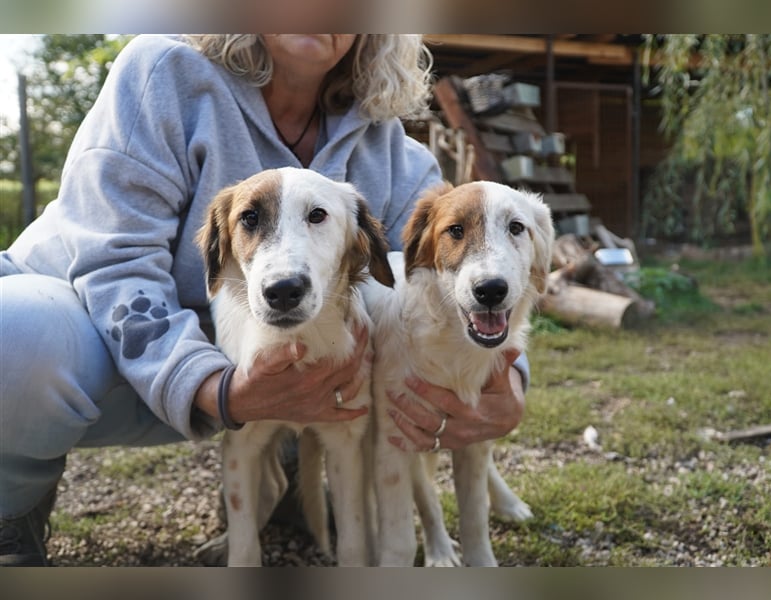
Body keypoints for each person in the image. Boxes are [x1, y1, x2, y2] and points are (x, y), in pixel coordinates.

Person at [0, 34, 529, 567]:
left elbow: (441, 277)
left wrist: (508, 380)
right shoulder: (162, 73)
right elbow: (115, 261)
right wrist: (217, 389)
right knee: (17, 340)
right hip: (82, 331)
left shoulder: (391, 150)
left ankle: (285, 470)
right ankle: (10, 504)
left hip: (262, 365)